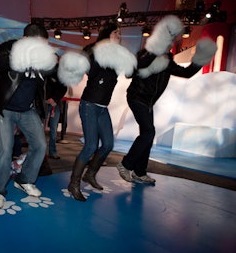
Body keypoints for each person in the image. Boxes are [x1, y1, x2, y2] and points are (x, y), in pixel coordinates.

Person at [116, 15, 217, 184]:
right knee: (149, 132)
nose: (171, 42)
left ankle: (140, 172)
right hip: (136, 97)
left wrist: (200, 58)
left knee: (147, 134)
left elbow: (186, 73)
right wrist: (156, 49)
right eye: (169, 38)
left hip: (148, 102)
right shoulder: (146, 53)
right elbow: (137, 67)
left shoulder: (168, 59)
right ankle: (125, 164)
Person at [0, 23, 57, 208]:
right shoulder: (8, 48)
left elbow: (51, 72)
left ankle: (24, 179)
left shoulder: (41, 56)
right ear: (26, 39)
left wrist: (53, 61)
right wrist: (23, 53)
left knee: (41, 145)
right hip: (5, 109)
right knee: (5, 150)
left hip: (27, 109)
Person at [67, 22, 137, 201]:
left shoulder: (117, 55)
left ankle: (90, 174)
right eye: (115, 32)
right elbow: (89, 69)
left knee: (107, 145)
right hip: (90, 104)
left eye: (120, 34)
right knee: (91, 145)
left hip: (102, 107)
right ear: (107, 33)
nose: (118, 36)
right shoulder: (95, 50)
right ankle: (73, 184)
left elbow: (130, 73)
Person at [45, 70, 67, 159]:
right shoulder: (44, 70)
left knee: (53, 129)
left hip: (55, 103)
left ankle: (52, 151)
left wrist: (54, 99)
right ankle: (39, 152)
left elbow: (63, 88)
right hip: (44, 103)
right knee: (40, 128)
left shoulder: (61, 72)